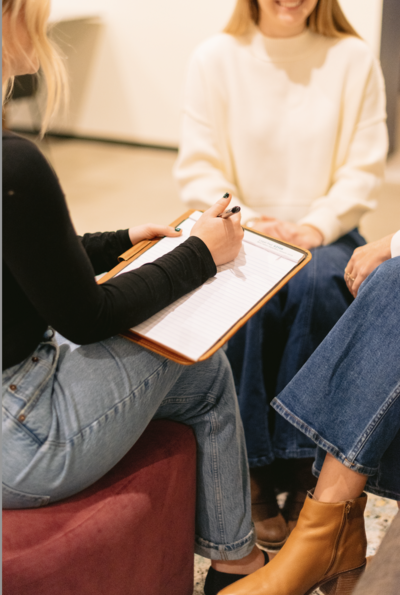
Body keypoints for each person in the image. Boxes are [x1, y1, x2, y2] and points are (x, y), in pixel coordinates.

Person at [1, 2, 270, 593]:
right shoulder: (11, 162)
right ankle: (237, 562)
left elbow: (23, 250)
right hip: (19, 442)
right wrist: (201, 255)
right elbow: (86, 316)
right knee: (200, 362)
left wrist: (120, 241)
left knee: (198, 374)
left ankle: (236, 561)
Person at [174, 0, 388, 548]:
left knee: (319, 284)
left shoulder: (351, 57)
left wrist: (315, 227)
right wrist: (244, 215)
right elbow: (199, 166)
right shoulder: (215, 59)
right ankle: (253, 468)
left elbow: (363, 167)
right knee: (246, 287)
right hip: (241, 228)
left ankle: (299, 468)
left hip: (326, 232)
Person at [217, 230, 400, 595]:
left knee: (378, 282)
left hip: (327, 228)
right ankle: (278, 485)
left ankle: (321, 532)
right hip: (247, 223)